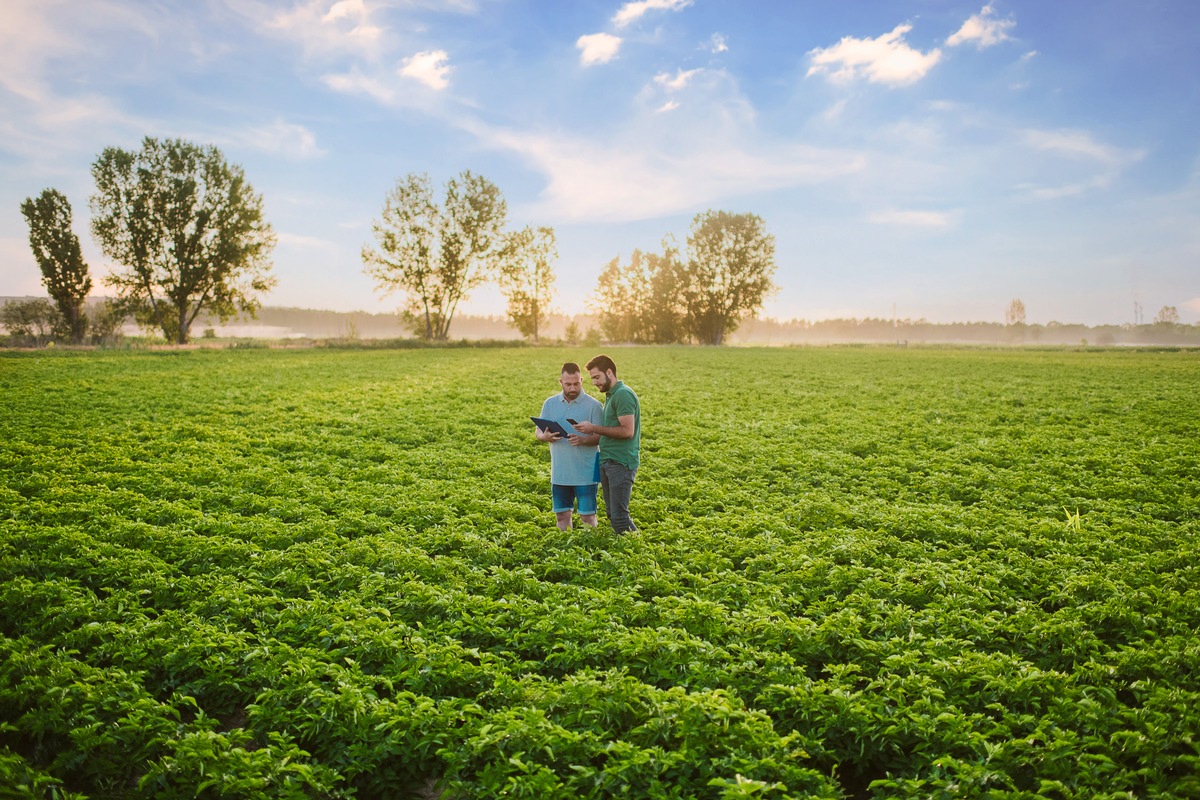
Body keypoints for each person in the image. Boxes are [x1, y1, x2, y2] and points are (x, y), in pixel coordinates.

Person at [572, 354, 641, 534]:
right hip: (609, 460)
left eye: (596, 377)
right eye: (592, 378)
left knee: (620, 517)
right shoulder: (612, 395)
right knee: (613, 514)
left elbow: (627, 431)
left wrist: (594, 427)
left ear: (609, 372)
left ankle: (639, 552)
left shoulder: (623, 395)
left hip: (621, 462)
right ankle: (630, 551)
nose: (594, 383)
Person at [534, 362, 603, 530]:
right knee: (562, 515)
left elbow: (602, 436)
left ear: (581, 380)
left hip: (588, 471)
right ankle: (564, 548)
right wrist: (545, 436)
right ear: (560, 382)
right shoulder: (550, 404)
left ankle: (591, 550)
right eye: (568, 384)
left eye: (576, 383)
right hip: (560, 471)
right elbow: (538, 431)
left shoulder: (594, 405)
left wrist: (583, 440)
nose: (573, 388)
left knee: (588, 516)